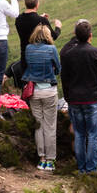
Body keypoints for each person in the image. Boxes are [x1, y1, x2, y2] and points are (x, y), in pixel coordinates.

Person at [59, 20, 97, 174]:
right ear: (90, 36)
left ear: (75, 35)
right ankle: (92, 168)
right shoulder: (96, 53)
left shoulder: (68, 54)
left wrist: (68, 96)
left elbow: (64, 78)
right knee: (94, 135)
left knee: (79, 134)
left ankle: (81, 167)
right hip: (92, 98)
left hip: (74, 99)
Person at [22, 24, 61, 172]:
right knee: (50, 126)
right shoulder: (51, 49)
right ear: (47, 36)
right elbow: (58, 68)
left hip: (34, 92)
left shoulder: (28, 49)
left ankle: (42, 159)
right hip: (49, 91)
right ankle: (50, 161)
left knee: (38, 126)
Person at [15, 0, 62, 80]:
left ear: (25, 4)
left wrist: (40, 18)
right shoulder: (41, 20)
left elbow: (29, 23)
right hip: (39, 57)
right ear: (37, 4)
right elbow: (53, 36)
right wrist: (58, 27)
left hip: (24, 55)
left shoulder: (18, 19)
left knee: (27, 86)